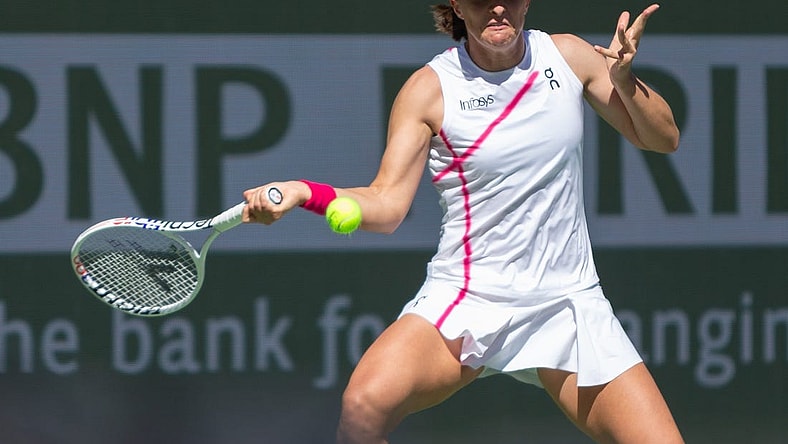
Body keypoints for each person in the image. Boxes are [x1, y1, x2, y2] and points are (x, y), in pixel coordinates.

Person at [243, 1, 684, 442]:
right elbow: (386, 203)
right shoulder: (430, 90)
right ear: (456, 5)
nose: (497, 8)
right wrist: (305, 192)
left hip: (566, 302)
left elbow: (664, 138)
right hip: (468, 300)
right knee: (364, 407)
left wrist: (624, 81)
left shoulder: (567, 58)